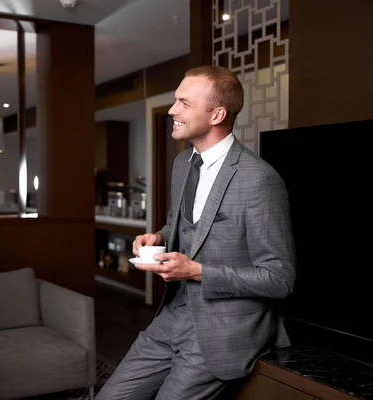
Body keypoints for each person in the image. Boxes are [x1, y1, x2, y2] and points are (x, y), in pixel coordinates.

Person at [96, 65, 296, 399]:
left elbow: (280, 278)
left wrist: (197, 271)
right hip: (171, 317)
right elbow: (182, 223)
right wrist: (158, 237)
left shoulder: (259, 180)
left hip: (224, 331)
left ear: (217, 114)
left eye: (183, 103)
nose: (172, 110)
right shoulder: (183, 164)